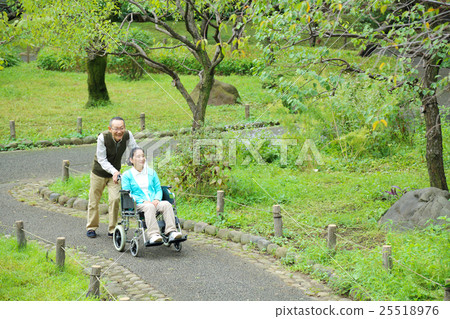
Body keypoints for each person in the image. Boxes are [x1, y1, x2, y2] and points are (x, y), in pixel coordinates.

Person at [86, 116, 138, 238]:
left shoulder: (127, 135)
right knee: (94, 201)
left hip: (115, 175)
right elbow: (102, 159)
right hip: (98, 173)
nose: (119, 131)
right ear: (110, 129)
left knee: (115, 199)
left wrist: (137, 163)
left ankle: (112, 229)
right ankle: (91, 227)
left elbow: (135, 150)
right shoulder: (102, 138)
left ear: (124, 128)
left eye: (121, 128)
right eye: (116, 128)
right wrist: (115, 171)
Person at [121, 147, 182, 244]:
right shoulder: (127, 175)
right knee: (149, 207)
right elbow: (128, 193)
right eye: (138, 156)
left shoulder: (151, 173)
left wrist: (157, 199)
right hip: (137, 203)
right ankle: (154, 235)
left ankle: (171, 232)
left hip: (154, 201)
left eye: (143, 156)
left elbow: (158, 189)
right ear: (131, 160)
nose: (142, 159)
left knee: (166, 204)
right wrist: (142, 201)